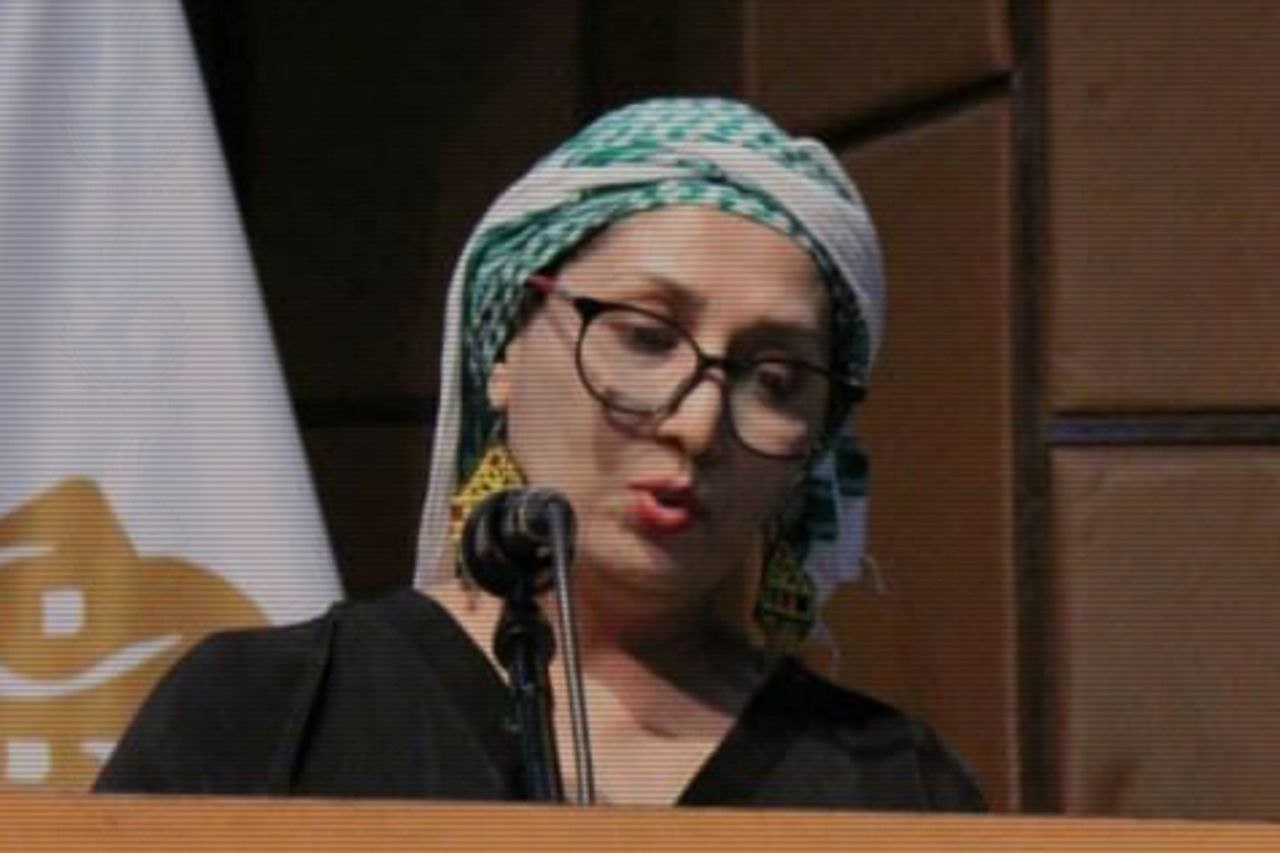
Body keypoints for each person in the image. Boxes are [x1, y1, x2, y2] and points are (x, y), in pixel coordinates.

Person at [95, 97, 985, 810]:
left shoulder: (891, 787)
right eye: (645, 337)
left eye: (776, 378)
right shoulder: (271, 711)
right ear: (505, 351)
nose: (699, 421)